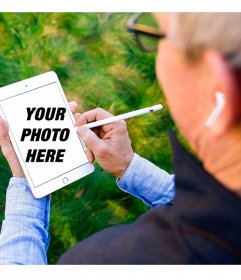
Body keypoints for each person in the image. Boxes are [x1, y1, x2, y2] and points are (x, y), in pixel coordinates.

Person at [1, 12, 241, 264]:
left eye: (155, 35)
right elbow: (211, 214)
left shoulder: (107, 262)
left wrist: (27, 183)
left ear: (216, 90)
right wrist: (128, 165)